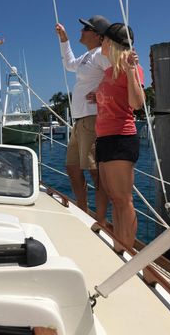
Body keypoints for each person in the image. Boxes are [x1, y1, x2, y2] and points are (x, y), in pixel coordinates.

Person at [92, 22, 145, 252]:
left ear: (112, 43)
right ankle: (118, 247)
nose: (100, 43)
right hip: (104, 138)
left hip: (121, 138)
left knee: (123, 200)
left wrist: (131, 70)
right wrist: (97, 97)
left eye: (103, 39)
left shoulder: (131, 67)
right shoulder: (108, 71)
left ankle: (128, 252)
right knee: (114, 198)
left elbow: (137, 103)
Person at [55, 15, 110, 216]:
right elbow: (69, 64)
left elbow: (117, 75)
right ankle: (83, 210)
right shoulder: (88, 56)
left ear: (97, 35)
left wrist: (102, 93)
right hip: (79, 121)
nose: (82, 31)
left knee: (95, 172)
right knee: (72, 168)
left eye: (86, 29)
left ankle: (101, 218)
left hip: (92, 118)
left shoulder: (101, 54)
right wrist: (64, 39)